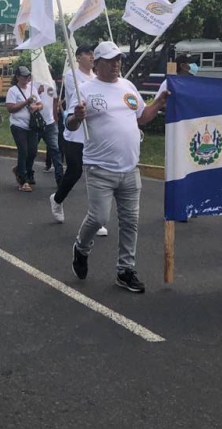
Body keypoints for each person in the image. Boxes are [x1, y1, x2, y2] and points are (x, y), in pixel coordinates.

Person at [67, 41, 168, 293]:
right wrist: (77, 117)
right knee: (100, 217)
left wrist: (159, 101)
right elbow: (69, 125)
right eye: (110, 60)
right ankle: (81, 247)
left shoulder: (128, 86)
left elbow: (142, 117)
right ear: (98, 62)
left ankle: (125, 270)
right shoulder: (85, 89)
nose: (116, 64)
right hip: (99, 168)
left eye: (118, 60)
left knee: (130, 222)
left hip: (130, 169)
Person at [50, 44, 96, 224]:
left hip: (93, 133)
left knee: (95, 174)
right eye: (87, 53)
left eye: (93, 53)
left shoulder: (96, 77)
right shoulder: (71, 76)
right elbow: (81, 98)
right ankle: (57, 199)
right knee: (75, 171)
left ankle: (95, 217)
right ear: (78, 57)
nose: (92, 56)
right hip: (75, 132)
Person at [6, 66, 41, 192]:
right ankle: (23, 180)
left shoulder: (33, 89)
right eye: (24, 76)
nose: (27, 78)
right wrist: (26, 102)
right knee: (23, 151)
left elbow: (40, 104)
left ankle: (20, 169)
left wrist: (36, 107)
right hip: (18, 125)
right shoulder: (13, 91)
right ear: (18, 77)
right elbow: (10, 108)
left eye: (28, 76)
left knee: (32, 152)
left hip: (31, 125)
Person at [35, 78, 63, 185]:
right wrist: (38, 92)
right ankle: (25, 173)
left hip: (50, 123)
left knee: (55, 150)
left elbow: (54, 101)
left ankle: (60, 178)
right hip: (37, 123)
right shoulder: (33, 82)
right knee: (31, 151)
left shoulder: (52, 82)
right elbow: (28, 101)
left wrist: (55, 120)